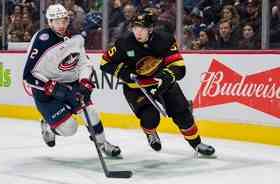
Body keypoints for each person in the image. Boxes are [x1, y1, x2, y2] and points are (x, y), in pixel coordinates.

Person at [100, 9, 215, 156]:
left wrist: (166, 76)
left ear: (151, 29)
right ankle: (150, 132)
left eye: (142, 28)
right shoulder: (124, 43)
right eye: (135, 28)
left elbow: (179, 67)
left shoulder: (165, 39)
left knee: (183, 115)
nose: (138, 32)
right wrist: (125, 74)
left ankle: (197, 144)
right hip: (137, 88)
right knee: (150, 118)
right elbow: (105, 63)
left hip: (163, 83)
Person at [22, 4, 121, 157]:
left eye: (63, 20)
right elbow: (28, 75)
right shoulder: (42, 40)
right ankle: (48, 124)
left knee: (91, 112)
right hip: (46, 92)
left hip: (71, 84)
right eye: (56, 21)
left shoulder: (76, 37)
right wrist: (50, 87)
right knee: (70, 129)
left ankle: (103, 144)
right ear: (49, 22)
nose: (61, 25)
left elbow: (83, 63)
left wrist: (84, 81)